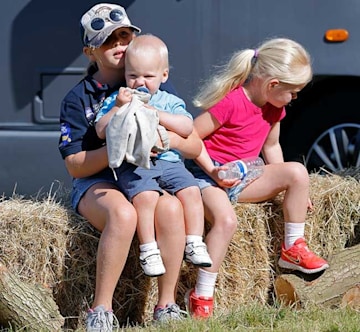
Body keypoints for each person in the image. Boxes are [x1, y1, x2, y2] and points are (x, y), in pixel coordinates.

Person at [58, 3, 201, 330]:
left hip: (144, 177)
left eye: (125, 36)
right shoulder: (79, 98)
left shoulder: (150, 81)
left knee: (171, 210)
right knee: (123, 214)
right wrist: (120, 149)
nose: (120, 45)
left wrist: (167, 141)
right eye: (109, 41)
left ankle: (166, 305)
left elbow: (194, 144)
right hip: (98, 181)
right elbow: (75, 166)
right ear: (90, 51)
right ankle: (101, 311)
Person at [185, 37, 329, 318]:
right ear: (273, 84)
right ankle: (201, 294)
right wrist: (212, 170)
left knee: (298, 172)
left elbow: (272, 147)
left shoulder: (275, 107)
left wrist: (296, 188)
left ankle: (293, 247)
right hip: (207, 176)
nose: (296, 97)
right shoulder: (231, 101)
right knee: (227, 221)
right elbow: (191, 135)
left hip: (243, 174)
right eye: (294, 92)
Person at [95, 34, 212, 278]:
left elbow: (186, 127)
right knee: (145, 196)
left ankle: (194, 241)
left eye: (148, 77)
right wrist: (118, 107)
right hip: (137, 164)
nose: (140, 83)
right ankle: (148, 248)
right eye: (132, 76)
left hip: (168, 161)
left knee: (191, 190)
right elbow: (101, 130)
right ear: (124, 75)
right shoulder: (118, 99)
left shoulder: (169, 101)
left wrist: (156, 113)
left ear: (163, 76)